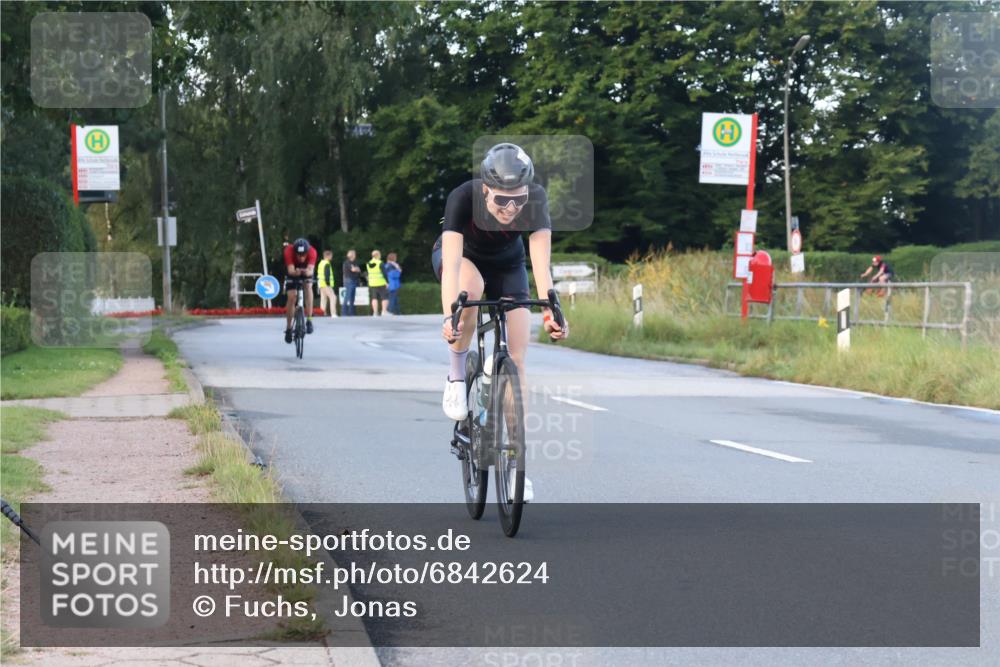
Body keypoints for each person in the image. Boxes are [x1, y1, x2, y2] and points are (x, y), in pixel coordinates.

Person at [434, 143, 569, 501]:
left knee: (518, 356)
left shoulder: (536, 199)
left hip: (509, 265)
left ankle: (516, 469)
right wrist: (451, 314)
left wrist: (552, 311)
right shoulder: (462, 197)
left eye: (518, 201)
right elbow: (450, 263)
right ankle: (457, 374)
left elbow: (541, 265)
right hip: (464, 261)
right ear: (485, 191)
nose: (511, 209)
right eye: (501, 201)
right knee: (472, 288)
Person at [283, 238, 317, 343]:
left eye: (303, 255)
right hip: (293, 270)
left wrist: (306, 272)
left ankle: (309, 319)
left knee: (308, 286)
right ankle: (289, 328)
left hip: (306, 269)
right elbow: (291, 270)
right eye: (299, 254)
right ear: (294, 252)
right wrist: (296, 272)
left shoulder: (312, 252)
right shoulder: (289, 251)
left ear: (307, 252)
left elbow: (310, 271)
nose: (301, 257)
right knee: (292, 297)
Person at [366, 250, 390, 316]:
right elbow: (385, 273)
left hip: (372, 283)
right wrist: (387, 282)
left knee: (374, 298)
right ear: (378, 255)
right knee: (384, 297)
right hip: (380, 283)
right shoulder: (380, 263)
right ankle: (384, 311)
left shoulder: (368, 263)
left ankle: (375, 312)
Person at [317, 249, 338, 317]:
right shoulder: (327, 263)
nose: (331, 257)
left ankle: (321, 313)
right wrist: (328, 283)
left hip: (321, 283)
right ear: (328, 256)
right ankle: (333, 313)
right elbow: (327, 274)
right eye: (331, 256)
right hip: (326, 284)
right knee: (333, 297)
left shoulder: (321, 263)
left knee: (323, 299)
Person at [342, 249, 361, 316]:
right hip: (349, 281)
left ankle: (352, 313)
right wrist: (356, 269)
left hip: (354, 280)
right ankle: (344, 313)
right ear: (352, 255)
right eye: (354, 254)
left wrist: (356, 269)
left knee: (352, 297)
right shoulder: (347, 262)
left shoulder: (354, 263)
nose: (355, 255)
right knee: (347, 297)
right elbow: (353, 269)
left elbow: (358, 269)